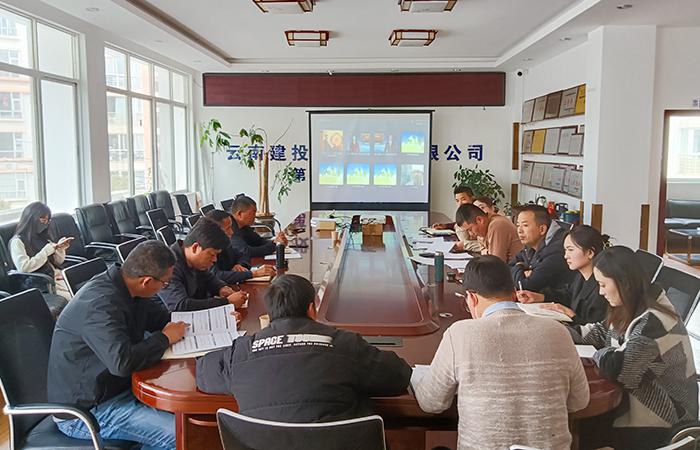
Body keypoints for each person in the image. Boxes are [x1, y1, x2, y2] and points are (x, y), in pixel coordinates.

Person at [414, 255, 589, 450]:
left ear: (472, 298)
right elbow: (579, 401)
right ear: (514, 294)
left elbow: (431, 402)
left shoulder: (460, 334)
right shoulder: (558, 332)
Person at [196, 274, 412, 424]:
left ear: (269, 314)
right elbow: (399, 375)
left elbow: (204, 373)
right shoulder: (345, 344)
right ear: (311, 309)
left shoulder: (240, 353)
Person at [47, 240, 187, 450]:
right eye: (164, 284)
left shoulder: (131, 289)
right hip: (87, 412)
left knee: (190, 416)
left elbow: (161, 319)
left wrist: (201, 323)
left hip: (119, 389)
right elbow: (122, 363)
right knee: (184, 435)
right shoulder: (100, 305)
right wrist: (165, 338)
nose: (163, 288)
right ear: (147, 281)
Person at [569, 246, 698, 450]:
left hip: (665, 422)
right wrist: (557, 332)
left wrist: (600, 353)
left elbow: (619, 368)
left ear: (624, 283)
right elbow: (598, 333)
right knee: (581, 430)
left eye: (603, 285)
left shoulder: (655, 321)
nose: (601, 292)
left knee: (582, 432)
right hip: (635, 408)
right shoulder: (631, 306)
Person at [517, 225, 609, 325]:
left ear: (590, 253)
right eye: (565, 250)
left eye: (570, 250)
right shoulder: (580, 277)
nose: (566, 256)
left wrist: (570, 314)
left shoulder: (602, 287)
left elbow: (597, 330)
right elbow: (566, 295)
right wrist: (539, 297)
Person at [158, 218, 248, 312]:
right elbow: (180, 306)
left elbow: (208, 277)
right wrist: (226, 302)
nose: (215, 260)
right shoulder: (168, 266)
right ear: (195, 248)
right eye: (212, 254)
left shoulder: (194, 261)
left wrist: (221, 288)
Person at [10, 202, 73, 305]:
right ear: (31, 219)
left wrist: (60, 250)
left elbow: (57, 263)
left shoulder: (43, 237)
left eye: (48, 221)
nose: (45, 224)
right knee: (73, 299)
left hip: (54, 278)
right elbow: (24, 267)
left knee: (84, 292)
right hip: (39, 283)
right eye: (43, 220)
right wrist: (46, 251)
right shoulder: (18, 241)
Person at [510, 204, 573, 293]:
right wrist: (522, 270)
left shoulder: (558, 249)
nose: (519, 230)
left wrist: (519, 266)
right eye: (518, 225)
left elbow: (526, 286)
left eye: (525, 225)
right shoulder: (531, 244)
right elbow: (507, 267)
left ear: (542, 229)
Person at [205, 209, 276, 284]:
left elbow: (243, 255)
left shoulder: (225, 243)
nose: (232, 232)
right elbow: (216, 276)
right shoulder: (206, 249)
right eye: (228, 228)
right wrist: (254, 273)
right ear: (215, 231)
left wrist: (239, 265)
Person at [455, 203, 523, 262]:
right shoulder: (482, 229)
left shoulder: (497, 225)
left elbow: (495, 262)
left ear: (479, 220)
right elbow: (485, 256)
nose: (470, 234)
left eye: (470, 229)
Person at [431, 186, 481, 252]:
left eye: (463, 199)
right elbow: (460, 224)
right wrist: (445, 226)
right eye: (457, 201)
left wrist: (464, 245)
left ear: (472, 198)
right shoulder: (462, 212)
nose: (460, 204)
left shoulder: (478, 212)